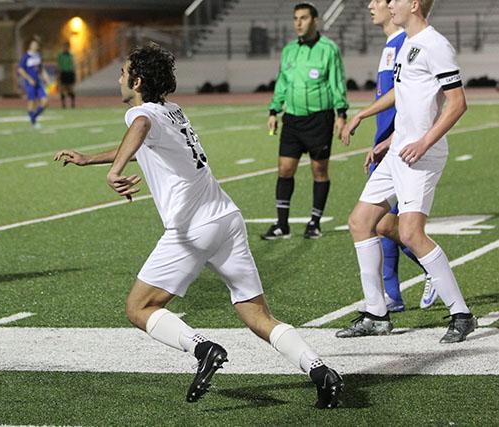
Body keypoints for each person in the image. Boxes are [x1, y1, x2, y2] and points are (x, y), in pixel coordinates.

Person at [54, 43, 344, 407]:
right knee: (257, 315)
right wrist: (91, 160)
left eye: (123, 72)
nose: (119, 78)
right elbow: (145, 141)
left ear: (137, 81)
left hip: (193, 228)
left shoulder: (142, 114)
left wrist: (115, 171)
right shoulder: (172, 111)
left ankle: (203, 348)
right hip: (226, 218)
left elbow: (140, 126)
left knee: (138, 308)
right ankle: (321, 372)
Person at [338, 0, 476, 343]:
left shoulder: (435, 45)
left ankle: (462, 313)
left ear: (414, 4)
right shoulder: (407, 44)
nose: (387, 4)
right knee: (361, 221)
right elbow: (404, 94)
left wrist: (425, 142)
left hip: (421, 157)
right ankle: (376, 314)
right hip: (399, 151)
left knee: (412, 233)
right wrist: (386, 137)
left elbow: (458, 103)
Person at [361, 0, 437, 313]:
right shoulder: (390, 46)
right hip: (386, 145)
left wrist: (390, 140)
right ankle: (392, 295)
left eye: (379, 0)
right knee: (380, 225)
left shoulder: (407, 43)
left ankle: (429, 268)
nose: (372, 6)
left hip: (401, 149)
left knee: (384, 224)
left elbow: (410, 101)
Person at [263, 2, 348, 240]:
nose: (298, 23)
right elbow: (282, 83)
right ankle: (282, 224)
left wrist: (341, 114)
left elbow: (337, 83)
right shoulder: (289, 50)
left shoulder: (329, 49)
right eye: (295, 18)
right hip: (292, 120)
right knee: (284, 169)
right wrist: (273, 110)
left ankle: (314, 222)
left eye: (303, 18)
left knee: (319, 170)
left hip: (319, 119)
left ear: (315, 21)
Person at [18, 38, 50, 128]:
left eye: (36, 45)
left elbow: (41, 69)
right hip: (30, 83)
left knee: (45, 102)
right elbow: (20, 69)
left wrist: (46, 77)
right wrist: (29, 79)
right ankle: (33, 123)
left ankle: (34, 117)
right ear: (30, 46)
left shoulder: (38, 56)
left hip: (38, 82)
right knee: (31, 102)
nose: (35, 46)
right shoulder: (25, 56)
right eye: (33, 44)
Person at [57, 42, 76, 108]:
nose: (66, 48)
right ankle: (63, 104)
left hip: (70, 73)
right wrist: (58, 75)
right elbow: (58, 65)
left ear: (69, 48)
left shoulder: (71, 55)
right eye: (65, 47)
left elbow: (73, 64)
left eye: (67, 47)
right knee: (62, 89)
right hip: (63, 73)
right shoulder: (60, 55)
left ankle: (73, 103)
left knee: (70, 89)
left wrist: (74, 73)